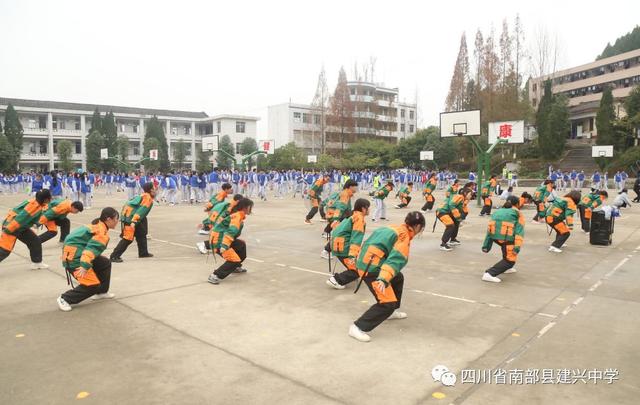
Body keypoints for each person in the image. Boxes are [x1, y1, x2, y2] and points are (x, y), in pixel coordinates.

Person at [348, 211, 425, 342]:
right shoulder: (403, 236)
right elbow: (395, 260)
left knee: (398, 277)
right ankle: (357, 327)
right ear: (417, 226)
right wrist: (383, 279)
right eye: (421, 228)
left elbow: (370, 241)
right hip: (371, 268)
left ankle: (392, 312)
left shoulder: (393, 228)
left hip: (366, 262)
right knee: (387, 303)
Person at [56, 207, 120, 312]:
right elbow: (91, 249)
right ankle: (65, 299)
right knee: (93, 285)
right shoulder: (101, 233)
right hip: (74, 258)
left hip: (76, 252)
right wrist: (84, 265)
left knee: (105, 263)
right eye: (116, 218)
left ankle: (101, 292)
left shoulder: (98, 225)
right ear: (109, 219)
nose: (117, 221)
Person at [0, 189, 52, 269]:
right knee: (5, 250)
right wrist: (9, 230)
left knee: (35, 241)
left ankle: (37, 262)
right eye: (50, 197)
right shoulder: (34, 206)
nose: (51, 199)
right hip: (12, 227)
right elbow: (20, 218)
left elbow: (30, 218)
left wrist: (35, 224)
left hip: (21, 227)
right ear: (46, 199)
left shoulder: (37, 203)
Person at [207, 198, 254, 285]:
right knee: (234, 260)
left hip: (222, 238)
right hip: (218, 241)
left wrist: (235, 240)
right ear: (245, 207)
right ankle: (215, 275)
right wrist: (224, 246)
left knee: (241, 245)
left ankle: (235, 267)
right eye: (250, 207)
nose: (251, 209)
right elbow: (231, 231)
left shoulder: (239, 215)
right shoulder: (237, 216)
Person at [326, 198, 370, 289]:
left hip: (338, 245)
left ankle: (347, 275)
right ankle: (336, 280)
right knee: (359, 270)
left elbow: (336, 230)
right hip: (343, 247)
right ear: (363, 209)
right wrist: (352, 256)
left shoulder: (352, 216)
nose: (369, 210)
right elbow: (356, 238)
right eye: (368, 207)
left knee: (356, 266)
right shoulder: (359, 218)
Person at [481, 196, 525, 283]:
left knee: (505, 248)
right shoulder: (517, 213)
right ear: (517, 204)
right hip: (507, 238)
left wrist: (486, 245)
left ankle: (506, 268)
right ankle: (489, 274)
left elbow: (489, 229)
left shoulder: (498, 211)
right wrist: (517, 247)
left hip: (495, 237)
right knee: (510, 260)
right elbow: (519, 231)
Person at [110, 182, 156, 263]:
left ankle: (143, 253)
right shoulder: (147, 198)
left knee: (141, 234)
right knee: (128, 238)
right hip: (130, 218)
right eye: (154, 187)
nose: (156, 188)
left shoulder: (144, 195)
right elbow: (141, 211)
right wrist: (134, 222)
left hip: (131, 216)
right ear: (151, 190)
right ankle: (114, 256)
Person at [436, 187, 472, 251]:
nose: (471, 196)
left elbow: (464, 210)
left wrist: (460, 218)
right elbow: (451, 204)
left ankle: (452, 240)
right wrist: (458, 217)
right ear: (465, 193)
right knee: (450, 225)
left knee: (456, 223)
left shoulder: (463, 199)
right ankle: (443, 244)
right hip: (442, 212)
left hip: (447, 212)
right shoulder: (459, 196)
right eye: (470, 194)